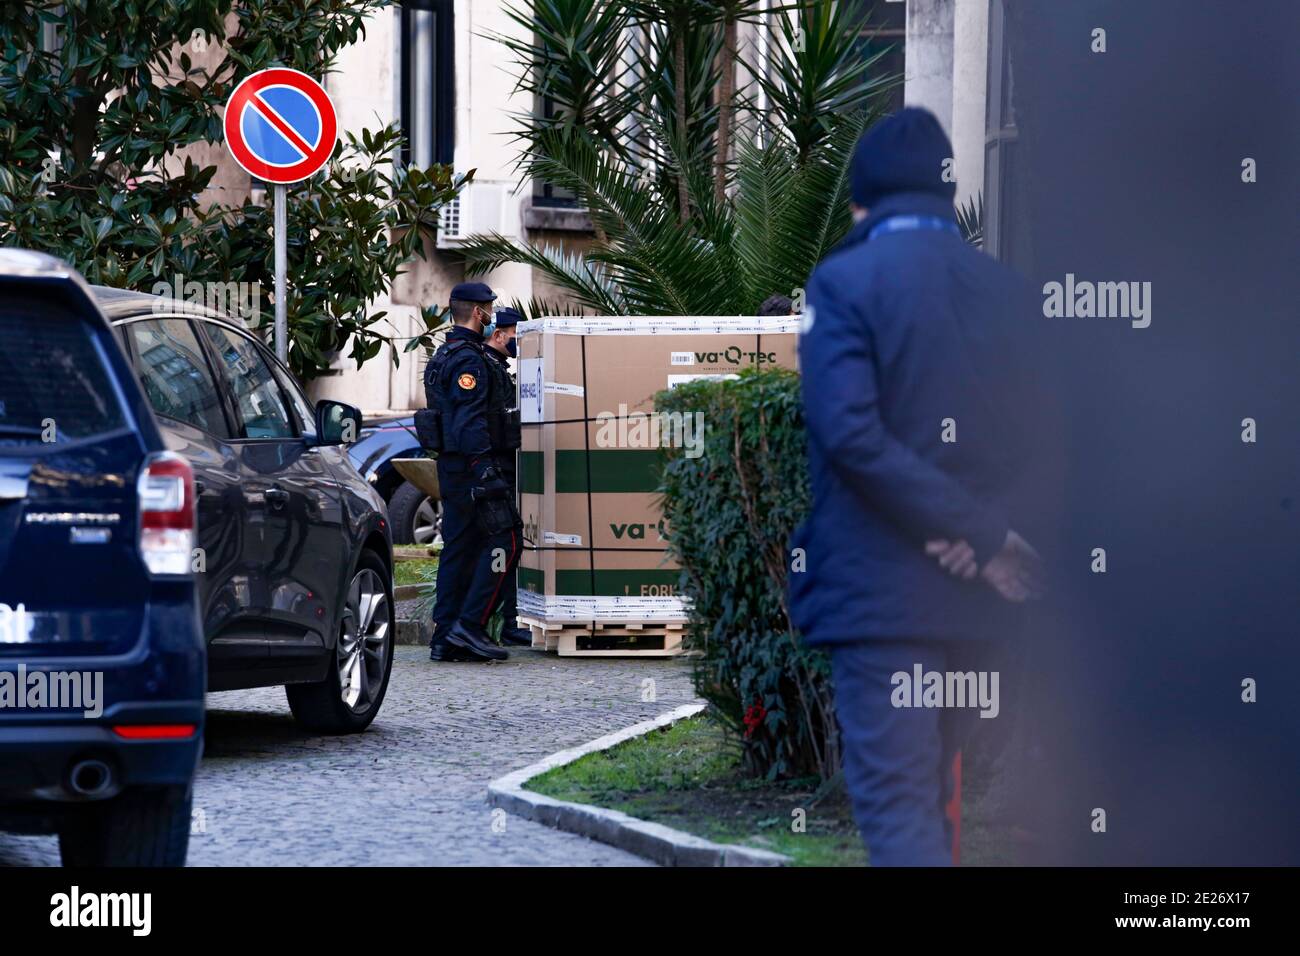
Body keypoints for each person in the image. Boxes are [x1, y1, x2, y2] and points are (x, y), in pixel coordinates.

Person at [790, 107, 1043, 866]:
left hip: (884, 602)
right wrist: (992, 533)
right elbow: (1050, 440)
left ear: (862, 200)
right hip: (980, 603)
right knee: (940, 798)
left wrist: (975, 529)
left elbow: (851, 435)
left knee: (900, 808)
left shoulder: (842, 284)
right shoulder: (1006, 291)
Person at [422, 282, 520, 663]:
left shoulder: (445, 354)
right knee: (506, 540)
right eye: (489, 309)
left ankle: (446, 636)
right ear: (479, 313)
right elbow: (469, 420)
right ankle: (470, 624)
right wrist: (484, 470)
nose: (492, 314)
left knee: (460, 548)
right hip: (473, 467)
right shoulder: (468, 360)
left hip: (455, 466)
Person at [478, 306, 531, 648]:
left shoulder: (498, 368)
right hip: (495, 469)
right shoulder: (485, 369)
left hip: (502, 467)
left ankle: (506, 622)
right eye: (514, 336)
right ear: (498, 335)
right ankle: (489, 622)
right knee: (502, 546)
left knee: (508, 546)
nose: (517, 343)